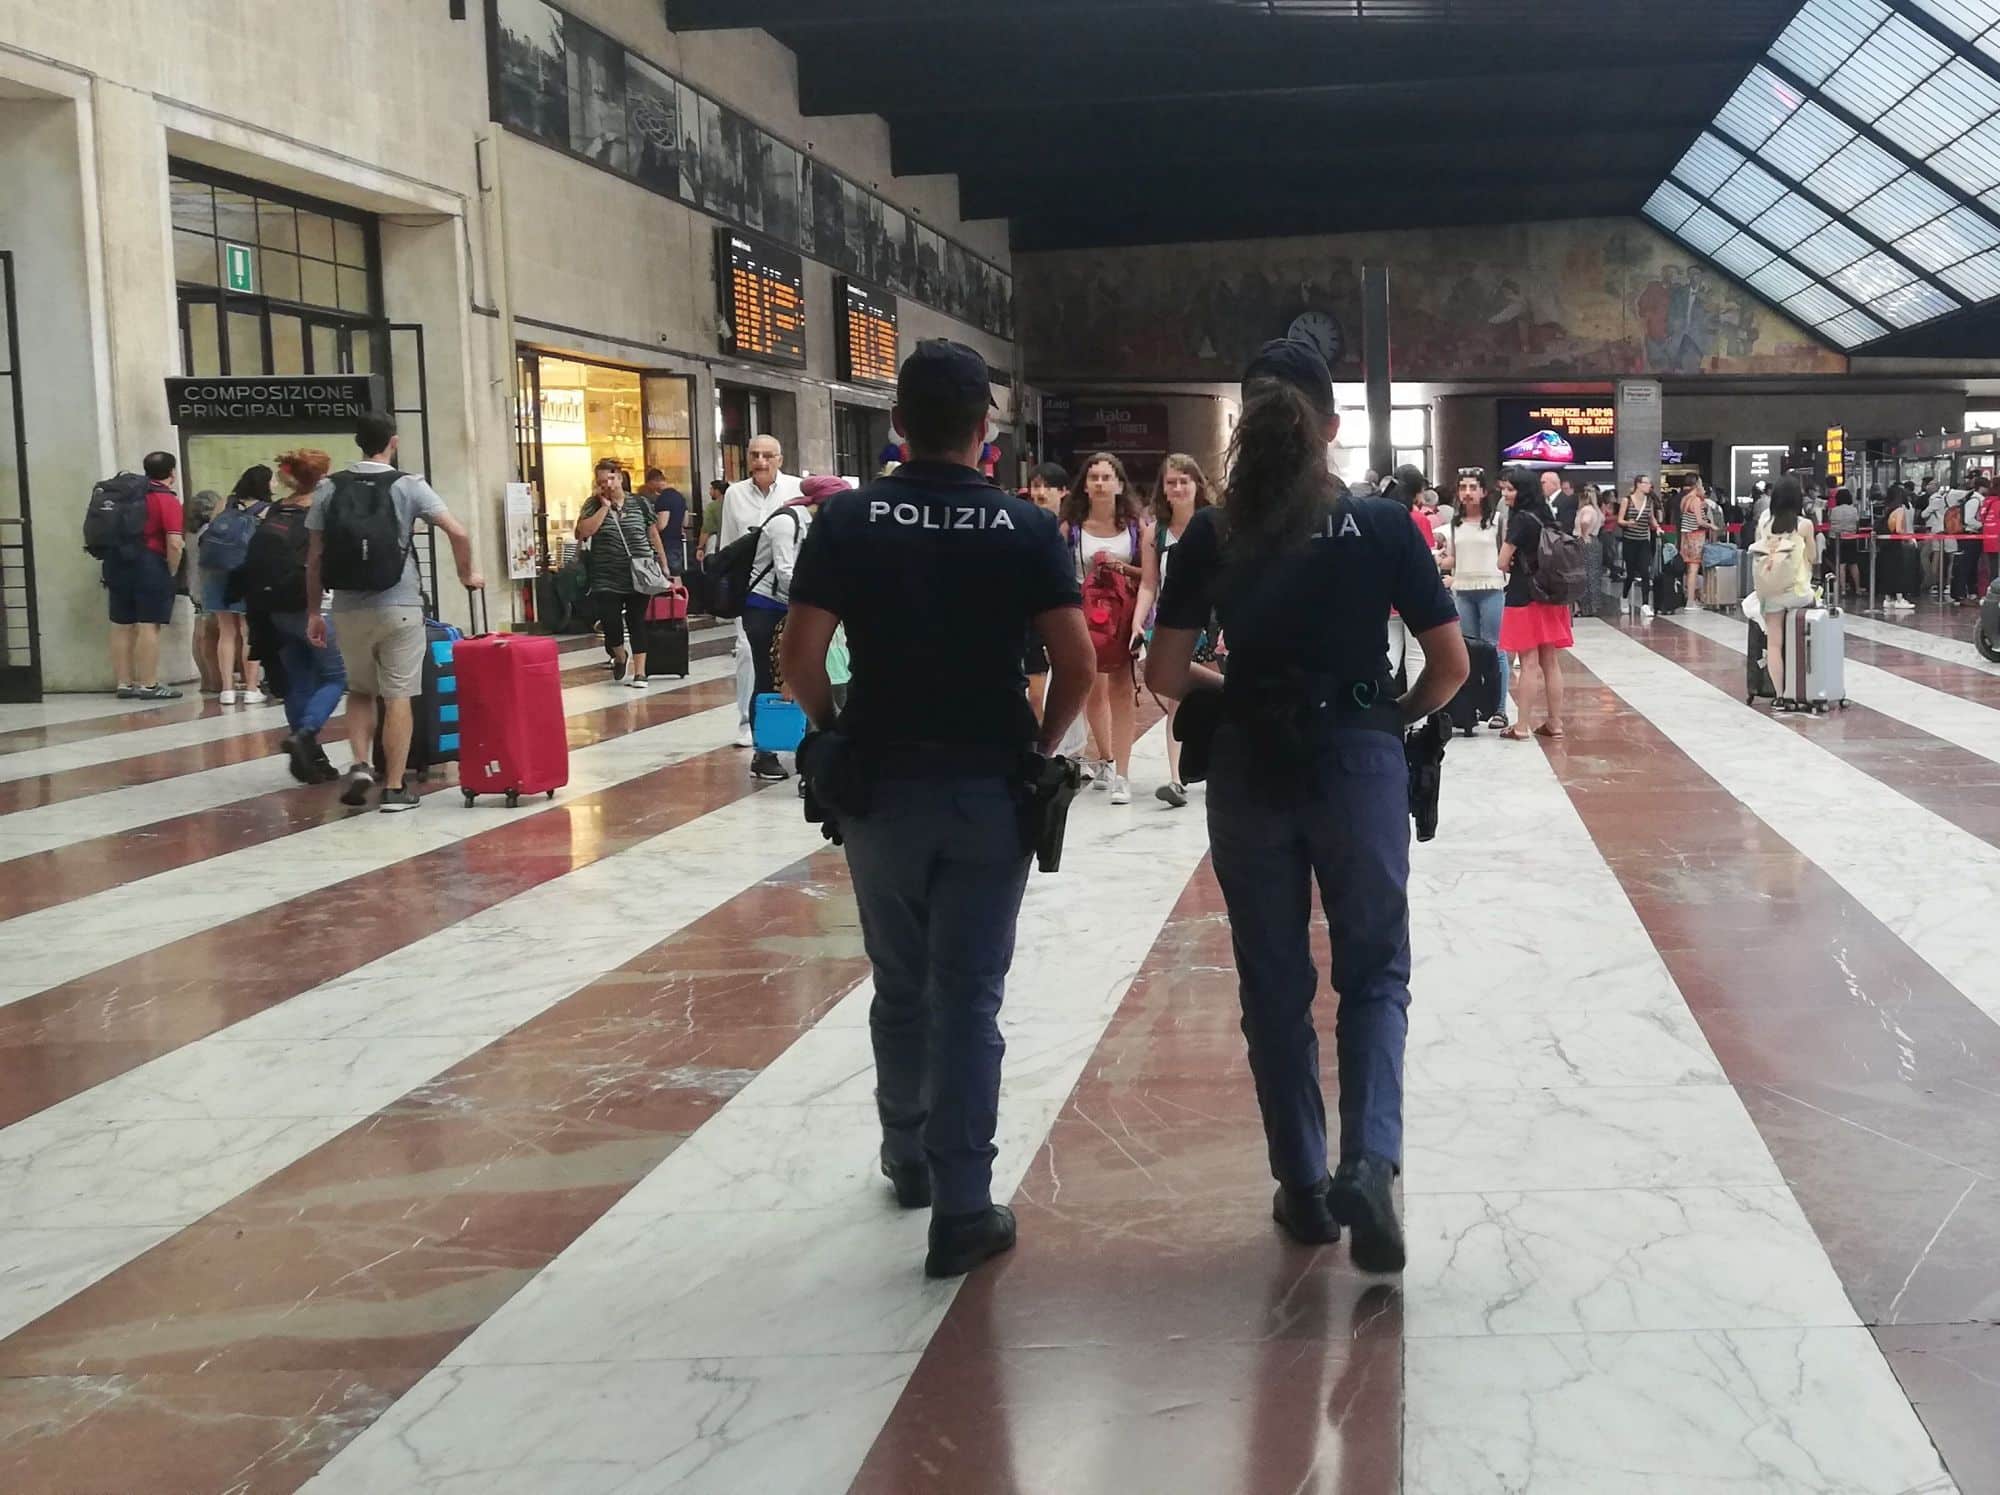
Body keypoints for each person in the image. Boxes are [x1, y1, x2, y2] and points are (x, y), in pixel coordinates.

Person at [1146, 338, 1468, 1271]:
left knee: (1274, 980)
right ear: (1330, 428)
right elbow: (1449, 669)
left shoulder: (1211, 534)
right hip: (1358, 762)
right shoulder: (1382, 527)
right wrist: (1386, 720)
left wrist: (1232, 686)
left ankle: (1302, 1184)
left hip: (1251, 766)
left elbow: (1164, 672)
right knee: (1373, 972)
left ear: (1243, 430)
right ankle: (1369, 1160)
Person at [779, 339, 1093, 1279]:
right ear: (986, 433)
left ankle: (905, 1152)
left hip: (880, 784)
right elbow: (1075, 665)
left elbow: (799, 655)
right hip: (989, 786)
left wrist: (837, 724)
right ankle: (962, 1204)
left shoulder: (849, 522)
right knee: (971, 997)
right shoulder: (1026, 530)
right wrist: (1039, 749)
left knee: (899, 979)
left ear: (898, 427)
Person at [305, 414, 484, 814]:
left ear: (357, 443)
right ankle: (395, 787)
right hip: (400, 604)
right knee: (398, 694)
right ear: (393, 442)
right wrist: (467, 573)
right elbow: (458, 531)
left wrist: (315, 612)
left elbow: (314, 558)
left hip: (348, 607)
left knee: (360, 690)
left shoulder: (329, 488)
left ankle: (361, 764)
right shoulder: (408, 485)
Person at [1061, 451, 1153, 804]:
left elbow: (1149, 574)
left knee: (1122, 691)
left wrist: (1118, 568)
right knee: (1092, 689)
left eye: (1106, 477)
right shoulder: (1070, 528)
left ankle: (1123, 774)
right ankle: (1106, 759)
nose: (1099, 483)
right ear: (1084, 484)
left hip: (1122, 617)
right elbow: (1061, 572)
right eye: (1093, 477)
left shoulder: (1135, 527)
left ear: (1119, 484)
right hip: (1084, 618)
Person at [744, 473, 846, 781]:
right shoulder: (787, 522)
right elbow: (787, 572)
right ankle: (764, 752)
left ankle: (804, 745)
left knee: (811, 671)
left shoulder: (815, 524)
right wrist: (823, 599)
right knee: (769, 677)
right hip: (766, 609)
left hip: (792, 605)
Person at [260, 449, 346, 782]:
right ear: (323, 475)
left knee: (299, 680)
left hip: (276, 607)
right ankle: (306, 733)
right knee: (336, 675)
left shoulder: (275, 510)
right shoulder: (324, 508)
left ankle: (308, 760)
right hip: (314, 606)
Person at [1136, 452, 1215, 808]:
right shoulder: (1156, 533)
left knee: (1216, 697)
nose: (1179, 487)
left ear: (1198, 485)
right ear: (1163, 490)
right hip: (1174, 624)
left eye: (1185, 480)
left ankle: (1216, 770)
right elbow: (1149, 583)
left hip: (1213, 623)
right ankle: (1176, 776)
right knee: (1176, 702)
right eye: (1172, 482)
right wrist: (1139, 619)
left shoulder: (1215, 525)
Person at [713, 436, 803, 747]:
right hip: (754, 594)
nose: (760, 461)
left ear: (780, 458)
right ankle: (747, 725)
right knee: (748, 655)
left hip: (790, 595)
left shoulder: (796, 489)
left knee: (792, 661)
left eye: (767, 455)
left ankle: (789, 723)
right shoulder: (735, 494)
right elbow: (728, 545)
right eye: (754, 455)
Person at [576, 458, 670, 689]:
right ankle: (619, 656)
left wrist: (663, 564)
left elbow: (653, 533)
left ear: (619, 478)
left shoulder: (639, 503)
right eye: (600, 481)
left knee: (636, 620)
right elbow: (582, 532)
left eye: (610, 479)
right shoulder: (592, 504)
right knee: (610, 622)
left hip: (640, 572)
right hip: (606, 575)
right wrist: (604, 507)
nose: (606, 484)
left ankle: (640, 673)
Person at [1498, 464, 1575, 741]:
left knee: (1527, 662)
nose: (1506, 494)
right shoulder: (1547, 515)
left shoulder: (1520, 520)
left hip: (1524, 595)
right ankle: (1555, 723)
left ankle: (1521, 726)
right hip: (1551, 595)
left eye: (1510, 489)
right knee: (1550, 662)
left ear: (1522, 491)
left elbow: (1501, 562)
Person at [105, 451, 186, 700]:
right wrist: (171, 570)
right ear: (172, 473)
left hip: (116, 562)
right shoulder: (166, 499)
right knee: (148, 624)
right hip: (149, 563)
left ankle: (124, 683)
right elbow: (174, 542)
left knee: (121, 624)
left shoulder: (126, 494)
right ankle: (149, 685)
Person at [198, 465, 273, 705]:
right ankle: (251, 688)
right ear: (263, 484)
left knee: (226, 632)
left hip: (218, 573)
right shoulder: (266, 510)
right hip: (247, 573)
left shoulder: (225, 504)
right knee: (249, 632)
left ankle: (227, 689)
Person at [1441, 469, 1510, 729]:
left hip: (1492, 587)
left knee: (1495, 649)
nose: (1467, 493)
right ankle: (1469, 709)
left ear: (1483, 492)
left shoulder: (1498, 521)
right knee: (1468, 651)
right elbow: (1454, 559)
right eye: (1463, 487)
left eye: (1472, 487)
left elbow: (1506, 557)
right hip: (1463, 590)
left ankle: (1500, 709)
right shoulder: (1454, 524)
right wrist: (1437, 561)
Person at [1752, 479, 1818, 711]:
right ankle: (1805, 686)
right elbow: (1814, 557)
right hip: (1799, 592)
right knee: (1811, 621)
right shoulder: (1804, 525)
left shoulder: (1764, 522)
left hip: (1771, 591)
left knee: (1774, 643)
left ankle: (1780, 695)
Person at [1022, 461, 1071, 720]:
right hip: (1032, 617)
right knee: (1034, 695)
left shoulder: (1072, 527)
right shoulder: (1023, 523)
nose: (1040, 492)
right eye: (1036, 485)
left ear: (1063, 491)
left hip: (1065, 615)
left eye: (1048, 486)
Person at [1616, 473, 1660, 619]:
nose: (1649, 486)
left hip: (1643, 541)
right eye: (1646, 483)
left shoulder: (1649, 501)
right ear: (1638, 485)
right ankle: (1624, 597)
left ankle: (1645, 604)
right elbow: (1620, 520)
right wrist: (1628, 523)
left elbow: (1651, 518)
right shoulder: (1626, 500)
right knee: (1630, 573)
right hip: (1630, 541)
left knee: (1645, 572)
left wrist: (1657, 527)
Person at [641, 467, 692, 575]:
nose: (651, 489)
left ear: (654, 481)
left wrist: (651, 531)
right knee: (677, 575)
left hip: (666, 544)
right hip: (678, 542)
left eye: (650, 485)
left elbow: (661, 525)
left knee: (667, 576)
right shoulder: (680, 496)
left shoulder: (664, 498)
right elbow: (685, 522)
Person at [1678, 477, 1712, 608]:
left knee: (1688, 570)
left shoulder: (1684, 500)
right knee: (1694, 569)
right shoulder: (1696, 500)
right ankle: (1690, 601)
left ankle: (1689, 597)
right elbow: (1699, 521)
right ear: (1697, 484)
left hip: (1686, 536)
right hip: (1696, 537)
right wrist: (1711, 525)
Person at [1575, 482, 1605, 615]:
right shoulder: (1597, 510)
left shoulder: (1586, 509)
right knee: (1593, 574)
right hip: (1595, 541)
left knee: (1584, 574)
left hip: (1585, 542)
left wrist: (1584, 533)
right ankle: (1593, 605)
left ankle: (1584, 606)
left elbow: (1585, 521)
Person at [1829, 488, 1863, 598]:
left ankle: (1843, 590)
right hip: (1851, 538)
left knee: (1841, 565)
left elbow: (1831, 524)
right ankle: (1857, 588)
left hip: (1837, 539)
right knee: (1853, 564)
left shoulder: (1834, 510)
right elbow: (1857, 524)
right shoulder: (1854, 510)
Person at [1545, 469, 1577, 536]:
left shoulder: (1569, 502)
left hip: (1559, 539)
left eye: (1544, 482)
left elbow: (1568, 525)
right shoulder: (1545, 500)